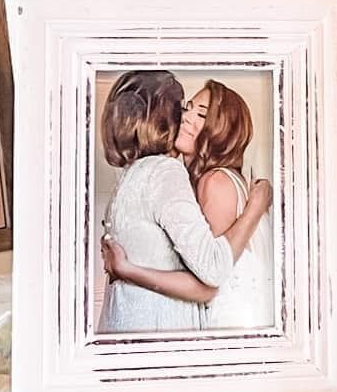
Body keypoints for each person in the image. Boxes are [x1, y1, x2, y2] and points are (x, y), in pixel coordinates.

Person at [96, 70, 270, 333]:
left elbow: (208, 281)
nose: (185, 117)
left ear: (220, 130)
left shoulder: (214, 182)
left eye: (201, 115)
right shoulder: (181, 180)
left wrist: (126, 269)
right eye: (187, 108)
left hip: (225, 331)